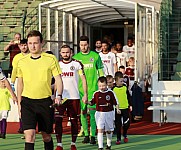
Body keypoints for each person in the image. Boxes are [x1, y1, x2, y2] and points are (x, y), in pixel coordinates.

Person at [16, 30, 63, 150]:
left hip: (45, 102)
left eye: (35, 43)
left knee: (46, 136)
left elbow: (58, 79)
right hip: (27, 103)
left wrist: (59, 95)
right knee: (29, 135)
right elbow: (20, 84)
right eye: (30, 43)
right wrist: (19, 104)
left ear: (41, 43)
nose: (32, 46)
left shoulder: (50, 59)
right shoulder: (21, 61)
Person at [54, 45, 88, 150]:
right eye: (63, 52)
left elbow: (83, 79)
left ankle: (73, 143)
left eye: (67, 52)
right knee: (58, 120)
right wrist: (53, 94)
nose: (65, 54)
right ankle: (59, 144)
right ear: (60, 53)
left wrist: (85, 94)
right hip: (61, 97)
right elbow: (56, 81)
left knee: (74, 121)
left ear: (71, 53)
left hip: (74, 97)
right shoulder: (57, 65)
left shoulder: (77, 64)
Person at [73, 35, 104, 144]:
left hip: (93, 89)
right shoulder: (76, 57)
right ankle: (86, 134)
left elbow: (100, 70)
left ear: (88, 44)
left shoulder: (95, 56)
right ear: (79, 45)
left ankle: (92, 136)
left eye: (85, 45)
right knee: (82, 113)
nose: (83, 47)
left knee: (92, 114)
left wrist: (102, 84)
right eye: (81, 45)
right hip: (80, 90)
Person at [85, 76, 121, 150]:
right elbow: (92, 102)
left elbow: (116, 102)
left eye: (103, 85)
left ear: (106, 84)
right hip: (99, 113)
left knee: (108, 131)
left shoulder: (111, 93)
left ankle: (108, 144)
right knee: (100, 129)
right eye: (100, 86)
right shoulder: (96, 93)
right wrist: (87, 102)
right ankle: (100, 147)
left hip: (109, 113)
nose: (102, 87)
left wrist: (117, 109)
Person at [11, 38, 29, 136]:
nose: (23, 47)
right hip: (20, 81)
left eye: (25, 45)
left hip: (30, 81)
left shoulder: (32, 56)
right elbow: (14, 71)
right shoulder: (17, 57)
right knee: (20, 103)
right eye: (21, 45)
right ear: (19, 46)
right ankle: (22, 126)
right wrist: (13, 83)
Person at [113, 72, 132, 145]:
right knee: (118, 125)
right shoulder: (113, 89)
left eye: (123, 80)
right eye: (120, 81)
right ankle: (118, 138)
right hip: (117, 109)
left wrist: (130, 105)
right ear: (116, 81)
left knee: (126, 123)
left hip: (125, 108)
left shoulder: (125, 87)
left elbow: (128, 97)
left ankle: (125, 134)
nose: (122, 82)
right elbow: (112, 99)